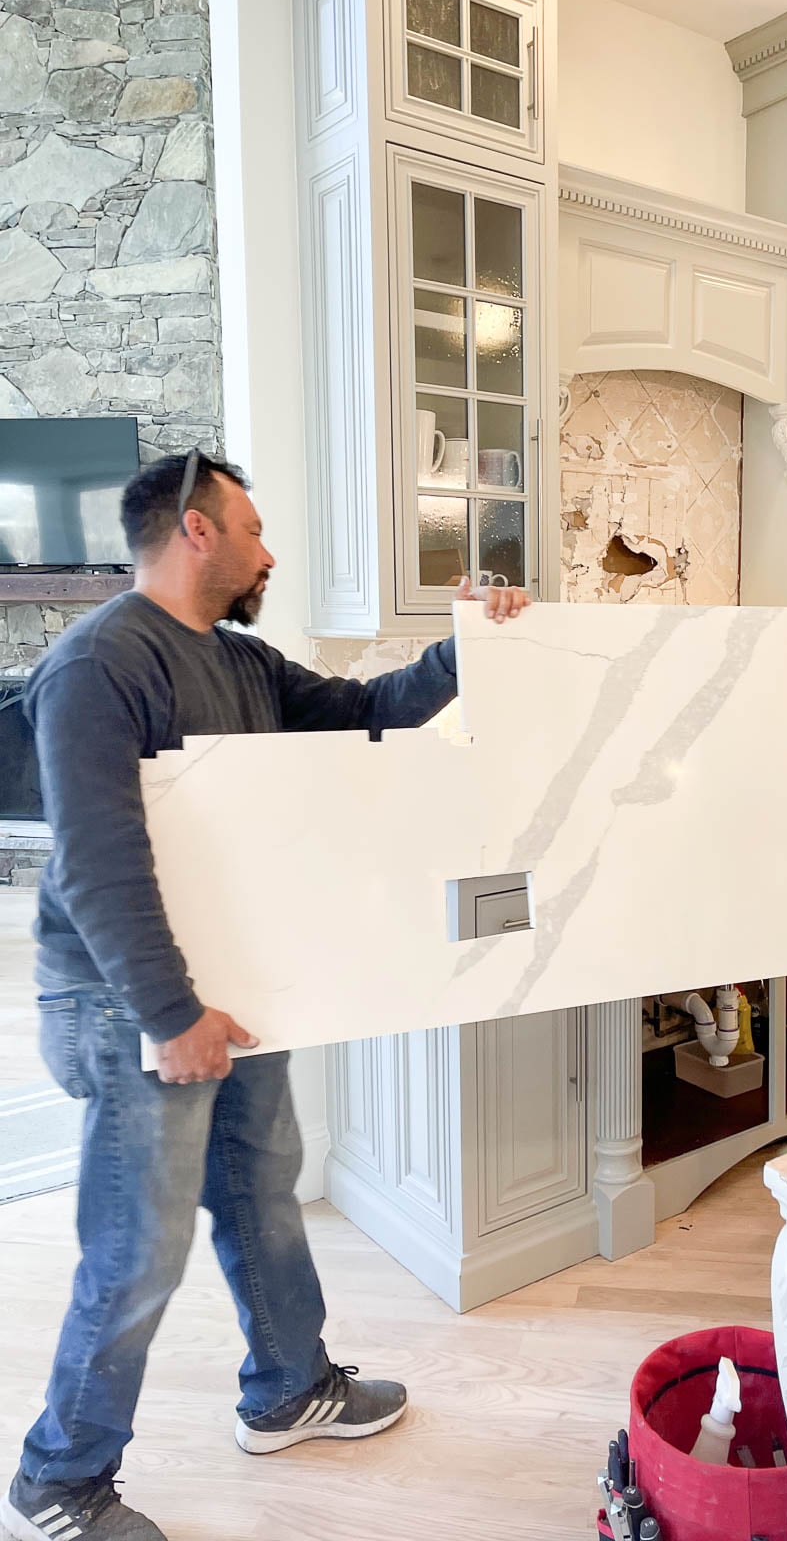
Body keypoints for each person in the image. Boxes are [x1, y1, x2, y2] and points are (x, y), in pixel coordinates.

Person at [2, 452, 530, 1541]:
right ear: (196, 529)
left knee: (260, 1184)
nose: (269, 550)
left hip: (233, 977)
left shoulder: (241, 662)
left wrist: (471, 644)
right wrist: (169, 1014)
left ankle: (289, 1386)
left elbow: (368, 712)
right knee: (136, 1247)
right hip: (128, 999)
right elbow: (102, 863)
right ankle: (60, 1480)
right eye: (252, 527)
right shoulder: (100, 663)